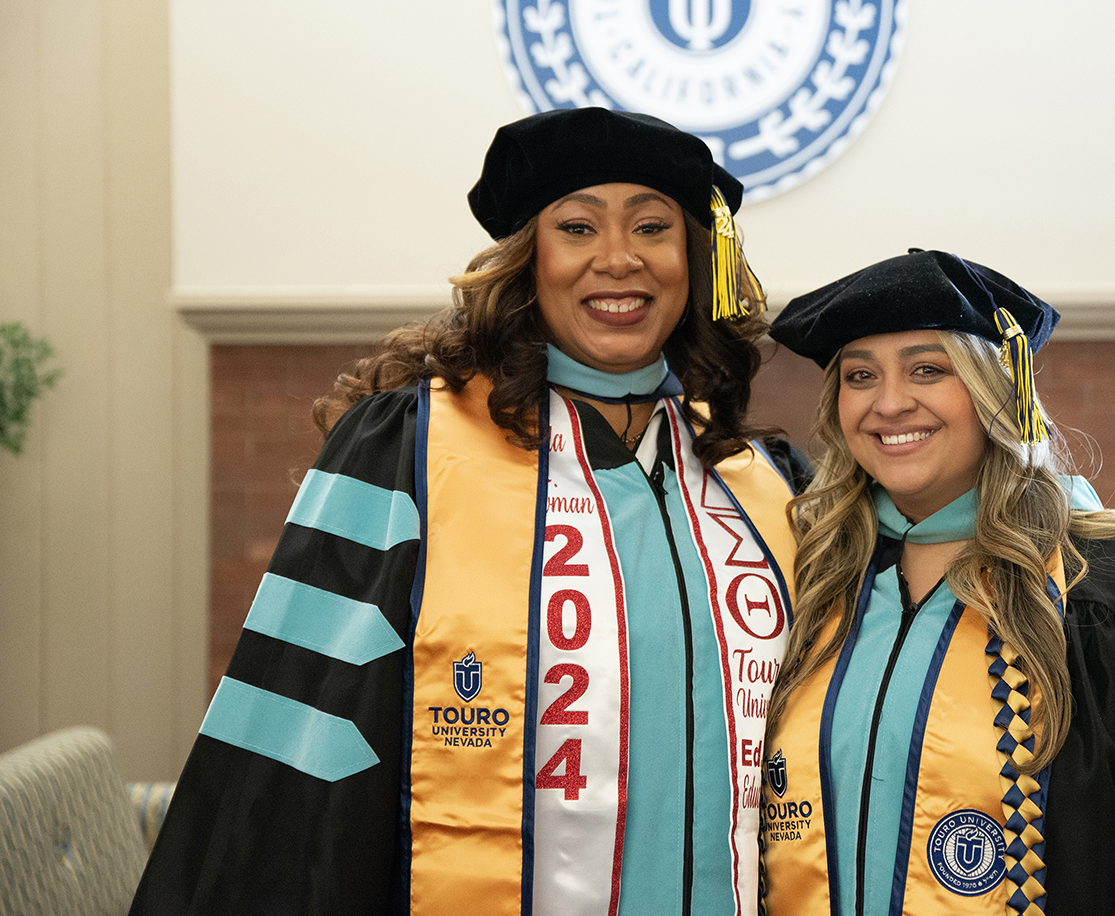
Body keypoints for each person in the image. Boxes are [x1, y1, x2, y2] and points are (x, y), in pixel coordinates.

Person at [131, 108, 800, 915]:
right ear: (530, 260)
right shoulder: (410, 450)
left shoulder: (755, 479)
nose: (619, 259)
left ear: (693, 261)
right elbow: (292, 767)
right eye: (578, 226)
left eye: (653, 227)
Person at [758, 250, 1115, 916]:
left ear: (999, 392)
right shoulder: (815, 573)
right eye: (861, 375)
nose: (888, 403)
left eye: (928, 370)